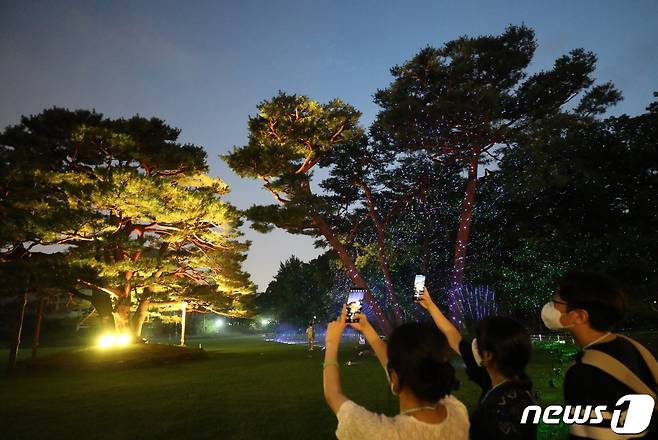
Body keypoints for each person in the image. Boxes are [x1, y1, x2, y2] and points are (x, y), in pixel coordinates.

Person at [323, 305, 469, 439]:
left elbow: (333, 395)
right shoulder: (458, 412)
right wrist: (366, 328)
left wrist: (331, 343)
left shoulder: (385, 434)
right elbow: (401, 368)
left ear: (394, 377)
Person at [541, 271, 658, 439]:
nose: (550, 307)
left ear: (579, 316)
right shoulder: (633, 347)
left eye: (555, 302)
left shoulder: (583, 371)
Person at [419, 288, 537, 440]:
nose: (474, 345)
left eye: (478, 341)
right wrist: (430, 305)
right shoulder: (502, 381)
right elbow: (454, 338)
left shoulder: (502, 408)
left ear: (487, 355)